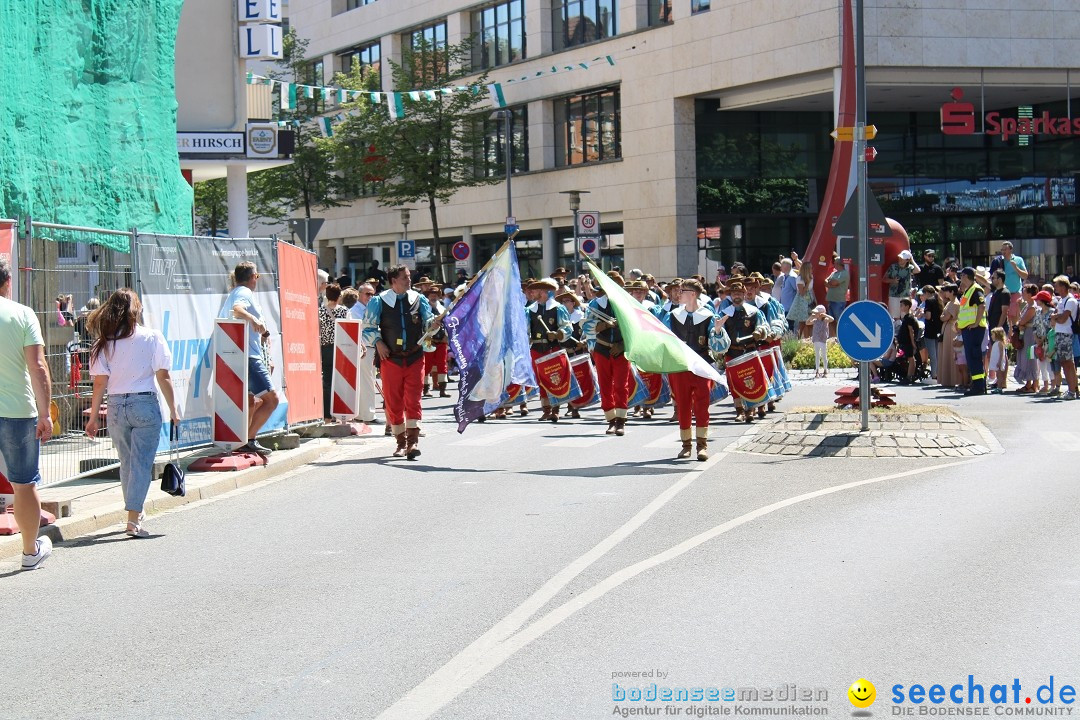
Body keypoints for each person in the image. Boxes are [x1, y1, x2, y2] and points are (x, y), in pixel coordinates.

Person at [85, 289, 178, 537]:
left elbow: (99, 384)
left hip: (115, 406)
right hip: (144, 403)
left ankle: (133, 511)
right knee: (140, 463)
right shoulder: (152, 337)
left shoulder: (104, 343)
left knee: (126, 462)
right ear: (136, 311)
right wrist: (174, 409)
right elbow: (163, 376)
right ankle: (133, 519)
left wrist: (93, 417)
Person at [0, 260, 54, 569]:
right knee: (23, 484)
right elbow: (38, 367)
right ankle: (29, 551)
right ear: (7, 282)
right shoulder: (22, 314)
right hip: (17, 412)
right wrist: (45, 413)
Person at [363, 265, 439, 458]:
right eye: (405, 277)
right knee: (394, 401)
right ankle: (400, 442)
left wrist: (435, 324)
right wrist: (378, 342)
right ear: (393, 280)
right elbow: (367, 329)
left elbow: (428, 324)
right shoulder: (379, 301)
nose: (409, 280)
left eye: (408, 276)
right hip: (391, 359)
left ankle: (412, 443)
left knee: (414, 399)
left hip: (415, 356)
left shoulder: (419, 299)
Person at [218, 262, 280, 455]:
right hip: (248, 356)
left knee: (252, 401)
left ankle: (242, 440)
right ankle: (249, 439)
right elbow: (238, 309)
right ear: (253, 277)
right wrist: (254, 321)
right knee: (272, 400)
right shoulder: (244, 292)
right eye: (257, 277)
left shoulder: (236, 292)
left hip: (241, 353)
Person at [665, 280, 728, 460]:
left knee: (702, 406)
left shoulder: (707, 315)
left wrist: (717, 331)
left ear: (692, 294)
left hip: (702, 366)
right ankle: (686, 446)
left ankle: (702, 446)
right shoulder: (673, 315)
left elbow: (718, 346)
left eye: (682, 291)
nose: (679, 294)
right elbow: (663, 337)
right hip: (680, 366)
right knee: (683, 405)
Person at [584, 273, 630, 434]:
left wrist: (623, 345)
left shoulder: (626, 303)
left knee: (620, 386)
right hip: (601, 348)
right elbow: (586, 326)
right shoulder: (595, 304)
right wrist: (604, 325)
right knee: (605, 386)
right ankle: (611, 420)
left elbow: (634, 328)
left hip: (621, 350)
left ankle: (621, 421)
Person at [718, 280, 768, 423]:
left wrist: (760, 331)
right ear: (731, 296)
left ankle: (751, 409)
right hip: (732, 352)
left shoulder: (753, 312)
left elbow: (762, 325)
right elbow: (718, 332)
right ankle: (740, 411)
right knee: (735, 383)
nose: (737, 296)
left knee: (752, 379)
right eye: (734, 294)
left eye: (739, 293)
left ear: (744, 294)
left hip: (750, 351)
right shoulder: (724, 314)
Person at [319, 283, 348, 421]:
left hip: (325, 349)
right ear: (339, 296)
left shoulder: (320, 311)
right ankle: (339, 412)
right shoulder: (344, 311)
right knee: (340, 382)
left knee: (327, 382)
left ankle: (326, 415)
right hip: (341, 348)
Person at [956, 267, 988, 396]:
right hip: (968, 329)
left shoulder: (976, 290)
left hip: (974, 329)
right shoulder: (967, 291)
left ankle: (979, 387)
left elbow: (982, 306)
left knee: (974, 357)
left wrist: (975, 323)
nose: (960, 277)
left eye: (962, 275)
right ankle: (978, 385)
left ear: (966, 276)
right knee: (971, 358)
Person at [1050, 275, 1079, 400]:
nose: (1055, 287)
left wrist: (1055, 317)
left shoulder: (1070, 301)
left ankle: (1072, 391)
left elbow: (1062, 319)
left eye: (1056, 285)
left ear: (1063, 286)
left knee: (1068, 363)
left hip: (1066, 334)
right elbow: (1057, 319)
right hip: (1059, 334)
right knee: (1065, 362)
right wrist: (1056, 317)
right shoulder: (1061, 301)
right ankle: (1074, 390)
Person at [421, 284, 450, 398]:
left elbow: (448, 323)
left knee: (442, 364)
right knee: (427, 364)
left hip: (442, 340)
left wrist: (447, 336)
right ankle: (426, 389)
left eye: (435, 295)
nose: (433, 297)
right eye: (431, 295)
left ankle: (442, 389)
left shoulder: (443, 308)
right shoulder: (425, 308)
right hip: (428, 339)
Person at [1012, 284, 1039, 394]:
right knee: (1026, 357)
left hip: (1030, 336)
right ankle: (1029, 383)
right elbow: (1020, 320)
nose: (1022, 294)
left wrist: (1020, 324)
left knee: (1030, 357)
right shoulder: (1027, 306)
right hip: (1025, 334)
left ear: (1029, 294)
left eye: (1024, 292)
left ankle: (1032, 384)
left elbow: (1021, 322)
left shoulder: (1032, 307)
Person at [998, 241, 1028, 323]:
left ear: (1011, 250)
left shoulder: (1018, 260)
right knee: (1003, 317)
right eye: (1002, 250)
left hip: (1015, 294)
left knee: (1014, 319)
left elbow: (1025, 276)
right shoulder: (999, 261)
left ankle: (1014, 335)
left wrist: (1016, 267)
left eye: (1005, 249)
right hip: (1002, 294)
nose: (1003, 251)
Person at [1032, 290, 1055, 394]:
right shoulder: (1037, 312)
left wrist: (1044, 338)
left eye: (1038, 299)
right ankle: (1045, 384)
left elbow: (1052, 327)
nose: (1036, 301)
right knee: (1041, 363)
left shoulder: (1052, 312)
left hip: (1049, 341)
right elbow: (1034, 326)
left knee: (1050, 363)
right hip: (1039, 341)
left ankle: (1053, 384)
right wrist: (1037, 339)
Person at [937, 285, 961, 388]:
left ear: (951, 292)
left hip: (951, 329)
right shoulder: (950, 303)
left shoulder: (954, 303)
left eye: (947, 291)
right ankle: (947, 379)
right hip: (947, 329)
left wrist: (942, 316)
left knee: (949, 353)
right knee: (945, 353)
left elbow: (945, 317)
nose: (945, 293)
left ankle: (952, 379)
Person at [918, 285, 943, 380]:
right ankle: (939, 373)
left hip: (930, 330)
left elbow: (928, 316)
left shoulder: (928, 302)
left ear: (927, 293)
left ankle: (934, 375)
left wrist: (922, 314)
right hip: (938, 329)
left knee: (932, 355)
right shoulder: (939, 300)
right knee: (937, 354)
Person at [885, 249, 920, 318]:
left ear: (907, 260)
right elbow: (884, 279)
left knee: (905, 316)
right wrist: (893, 281)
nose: (900, 259)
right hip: (894, 295)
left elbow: (918, 270)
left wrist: (912, 260)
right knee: (894, 316)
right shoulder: (893, 267)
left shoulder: (909, 268)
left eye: (902, 259)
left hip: (905, 295)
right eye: (900, 258)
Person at [896, 298, 920, 384]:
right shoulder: (905, 317)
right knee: (909, 358)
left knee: (911, 358)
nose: (900, 307)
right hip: (904, 341)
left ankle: (910, 376)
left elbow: (911, 331)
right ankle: (909, 375)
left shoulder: (909, 318)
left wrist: (913, 343)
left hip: (908, 342)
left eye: (902, 305)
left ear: (907, 306)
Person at [806, 305, 833, 378]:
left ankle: (825, 369)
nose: (816, 315)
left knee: (824, 356)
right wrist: (811, 317)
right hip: (816, 340)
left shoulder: (825, 320)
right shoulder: (815, 321)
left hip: (823, 340)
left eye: (817, 313)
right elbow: (807, 323)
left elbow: (832, 319)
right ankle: (817, 370)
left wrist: (825, 315)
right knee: (817, 355)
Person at [787, 263, 813, 338]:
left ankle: (808, 338)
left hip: (809, 299)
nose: (812, 270)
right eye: (810, 268)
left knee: (810, 319)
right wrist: (807, 283)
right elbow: (802, 293)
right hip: (802, 300)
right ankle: (798, 338)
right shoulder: (800, 278)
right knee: (802, 321)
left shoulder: (811, 277)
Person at [824, 253, 849, 330]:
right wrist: (831, 285)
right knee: (831, 320)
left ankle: (842, 335)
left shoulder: (844, 273)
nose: (834, 265)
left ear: (839, 264)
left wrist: (830, 283)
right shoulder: (834, 273)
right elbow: (825, 281)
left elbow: (834, 282)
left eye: (835, 263)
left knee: (839, 319)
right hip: (831, 299)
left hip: (838, 300)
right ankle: (834, 337)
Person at [777, 258, 799, 324]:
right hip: (785, 306)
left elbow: (797, 290)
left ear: (786, 267)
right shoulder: (785, 276)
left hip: (790, 307)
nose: (781, 268)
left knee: (790, 325)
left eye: (782, 266)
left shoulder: (792, 277)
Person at [987, 327, 1008, 394]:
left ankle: (999, 387)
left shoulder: (999, 343)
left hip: (999, 361)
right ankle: (998, 387)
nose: (991, 336)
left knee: (999, 375)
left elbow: (1002, 353)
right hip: (996, 361)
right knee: (997, 375)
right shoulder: (995, 343)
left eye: (993, 334)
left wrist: (999, 361)